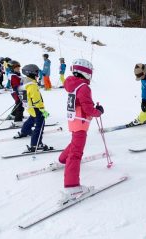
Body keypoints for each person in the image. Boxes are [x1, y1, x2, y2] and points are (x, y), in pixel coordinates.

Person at [58, 59, 104, 202]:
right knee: (76, 153)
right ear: (86, 73)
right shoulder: (84, 87)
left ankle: (62, 159)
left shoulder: (72, 84)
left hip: (73, 120)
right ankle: (72, 186)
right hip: (81, 121)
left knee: (74, 144)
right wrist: (98, 112)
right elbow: (88, 108)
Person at [19, 64, 50, 151]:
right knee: (40, 125)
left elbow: (22, 94)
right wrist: (41, 109)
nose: (37, 75)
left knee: (32, 118)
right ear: (31, 73)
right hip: (36, 108)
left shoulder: (24, 82)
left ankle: (25, 130)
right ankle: (36, 144)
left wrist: (25, 103)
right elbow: (36, 98)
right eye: (36, 73)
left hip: (30, 107)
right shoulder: (32, 85)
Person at [7, 60, 24, 126]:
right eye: (16, 68)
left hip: (17, 92)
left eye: (19, 67)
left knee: (18, 103)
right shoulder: (13, 76)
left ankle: (13, 115)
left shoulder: (17, 74)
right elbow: (16, 86)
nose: (18, 69)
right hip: (17, 92)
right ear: (12, 68)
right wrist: (21, 92)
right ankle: (18, 121)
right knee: (21, 105)